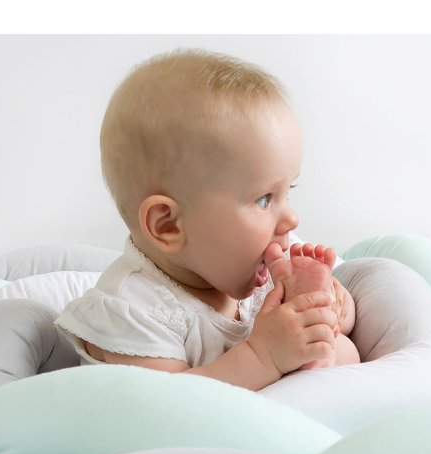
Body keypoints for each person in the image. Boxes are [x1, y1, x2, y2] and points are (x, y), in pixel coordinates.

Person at [55, 48, 359, 391]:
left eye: (288, 191)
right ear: (168, 225)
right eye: (263, 199)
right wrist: (264, 357)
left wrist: (327, 307)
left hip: (296, 413)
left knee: (339, 350)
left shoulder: (269, 265)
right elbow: (171, 407)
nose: (290, 218)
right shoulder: (130, 310)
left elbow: (351, 336)